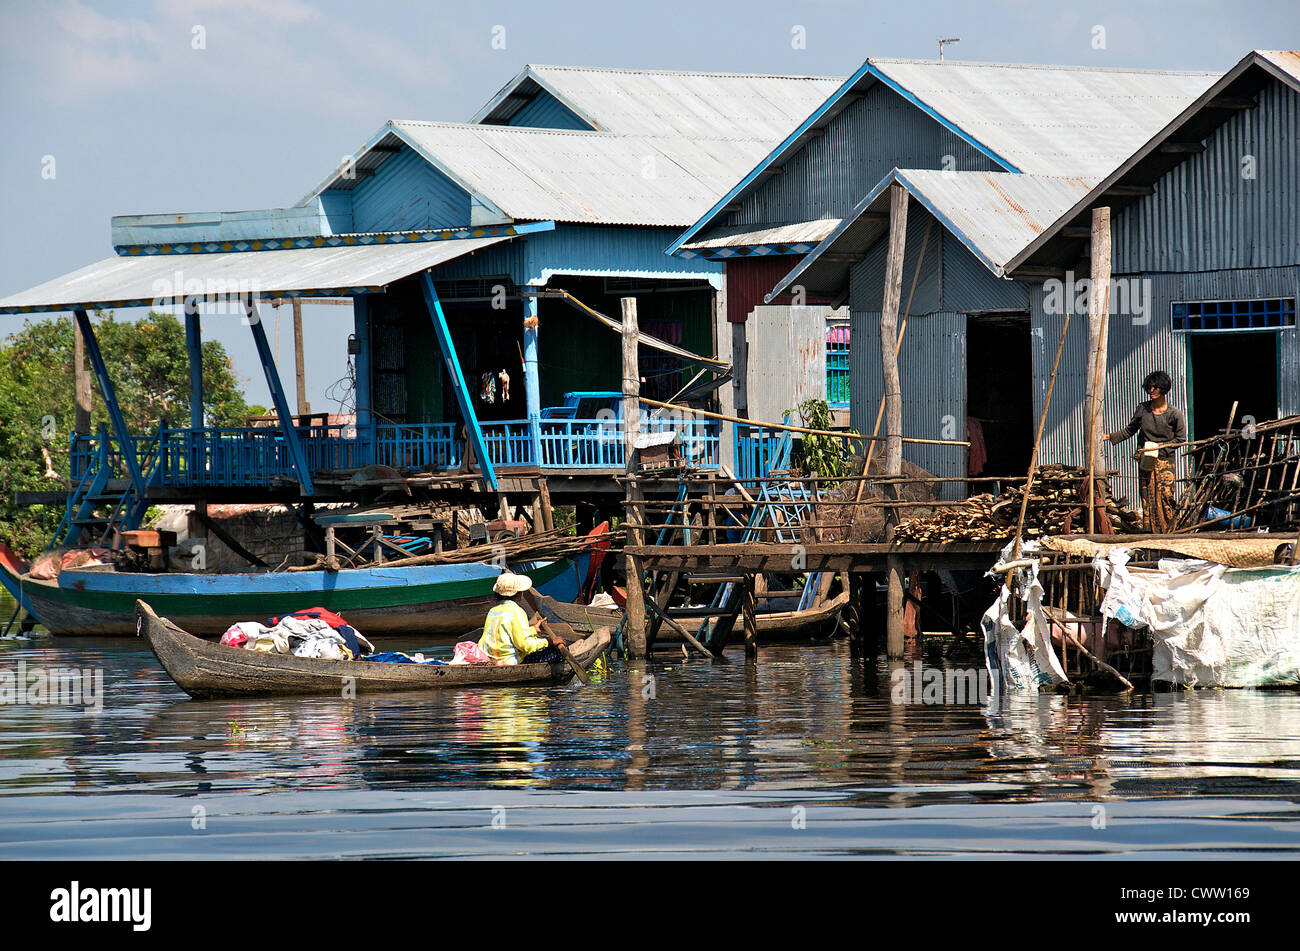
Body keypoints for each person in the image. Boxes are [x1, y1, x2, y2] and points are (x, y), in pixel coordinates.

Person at [1102, 370, 1187, 533]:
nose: (1151, 391)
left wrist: (1160, 446)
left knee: (1166, 495)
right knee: (1147, 495)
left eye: (1155, 387)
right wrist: (1109, 436)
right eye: (1149, 387)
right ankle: (1149, 531)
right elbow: (1130, 430)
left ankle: (1168, 529)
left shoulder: (1174, 414)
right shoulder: (1143, 409)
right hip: (1145, 460)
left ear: (1164, 389)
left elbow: (1180, 439)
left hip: (1165, 461)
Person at [478, 573, 562, 665]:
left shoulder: (493, 611)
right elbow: (525, 645)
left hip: (490, 658)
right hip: (509, 661)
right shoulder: (517, 611)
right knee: (559, 651)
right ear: (518, 594)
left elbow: (510, 633)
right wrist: (550, 642)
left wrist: (533, 629)